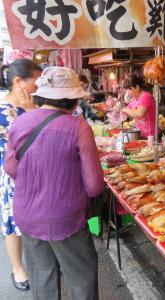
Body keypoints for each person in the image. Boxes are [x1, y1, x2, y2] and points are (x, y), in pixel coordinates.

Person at [5, 67, 104, 299]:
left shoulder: (19, 123)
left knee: (43, 276)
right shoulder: (78, 127)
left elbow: (11, 168)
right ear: (72, 99)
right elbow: (94, 186)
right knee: (81, 277)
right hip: (65, 218)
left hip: (27, 215)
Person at [0, 59, 41, 292]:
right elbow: (29, 140)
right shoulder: (4, 113)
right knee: (13, 225)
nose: (40, 86)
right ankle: (18, 268)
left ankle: (40, 263)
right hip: (14, 177)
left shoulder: (29, 105)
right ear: (19, 82)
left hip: (36, 173)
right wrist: (32, 113)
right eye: (37, 80)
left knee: (33, 221)